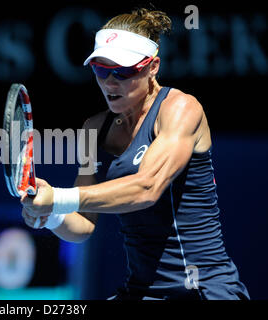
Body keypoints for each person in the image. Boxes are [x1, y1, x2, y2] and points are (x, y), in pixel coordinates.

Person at [20, 8, 249, 300]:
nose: (110, 82)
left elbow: (147, 189)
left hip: (205, 290)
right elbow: (83, 223)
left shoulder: (180, 109)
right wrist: (50, 214)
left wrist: (59, 198)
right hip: (141, 293)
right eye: (101, 70)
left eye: (124, 71)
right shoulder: (93, 129)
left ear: (152, 66)